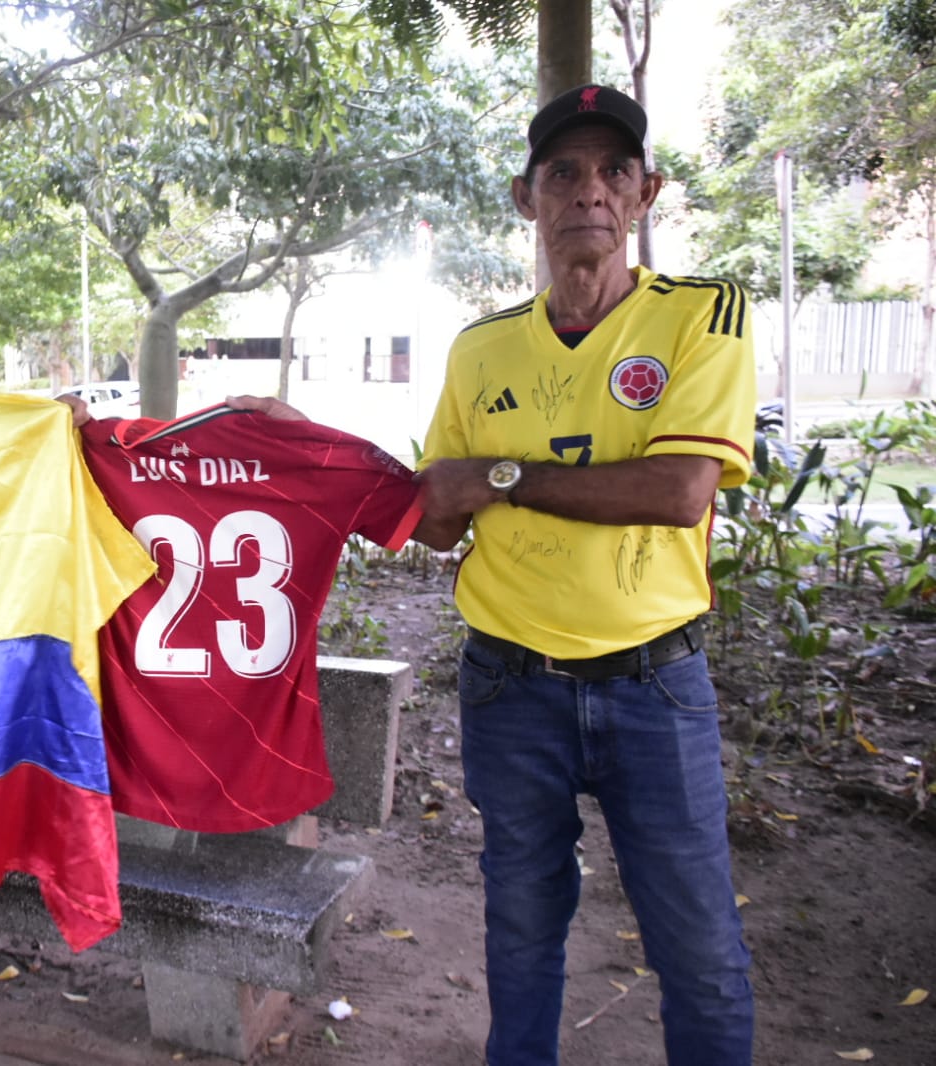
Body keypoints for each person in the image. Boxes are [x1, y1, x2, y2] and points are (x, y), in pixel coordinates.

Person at [411, 85, 756, 1065]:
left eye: (614, 170)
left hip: (654, 682)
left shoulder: (704, 316)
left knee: (697, 946)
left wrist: (502, 477)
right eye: (564, 171)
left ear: (647, 193)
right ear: (528, 198)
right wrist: (344, 467)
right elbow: (438, 521)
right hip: (510, 682)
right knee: (520, 931)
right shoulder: (480, 350)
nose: (589, 190)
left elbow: (680, 487)